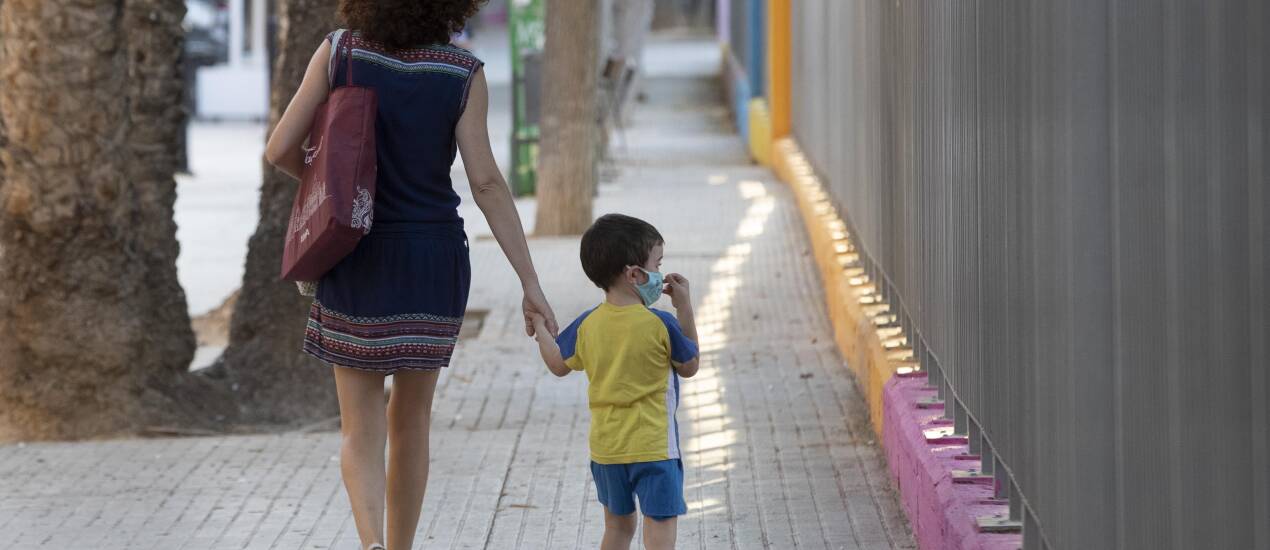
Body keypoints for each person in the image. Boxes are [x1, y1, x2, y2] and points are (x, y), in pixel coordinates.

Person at [263, 2, 558, 549]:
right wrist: (530, 282)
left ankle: (371, 543)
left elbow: (279, 149)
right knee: (413, 420)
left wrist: (335, 185)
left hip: (356, 252)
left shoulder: (340, 53)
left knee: (360, 427)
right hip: (431, 259)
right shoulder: (462, 72)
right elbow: (486, 183)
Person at [529, 214, 700, 550]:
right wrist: (685, 309)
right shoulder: (662, 324)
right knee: (660, 528)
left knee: (618, 529)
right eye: (657, 265)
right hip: (654, 447)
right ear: (634, 274)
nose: (660, 274)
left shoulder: (588, 324)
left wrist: (539, 325)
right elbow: (690, 365)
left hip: (607, 451)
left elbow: (557, 364)